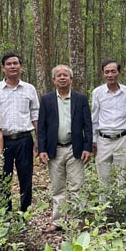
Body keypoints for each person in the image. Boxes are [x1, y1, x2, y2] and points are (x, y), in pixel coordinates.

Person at [37, 65, 92, 231]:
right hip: (54, 150)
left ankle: (78, 220)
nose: (62, 78)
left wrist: (87, 147)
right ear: (53, 80)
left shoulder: (80, 99)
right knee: (57, 187)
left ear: (71, 79)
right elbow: (42, 126)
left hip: (75, 148)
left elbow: (87, 124)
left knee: (77, 186)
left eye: (65, 75)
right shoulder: (46, 100)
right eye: (58, 75)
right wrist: (42, 149)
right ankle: (57, 221)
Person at [0, 52, 40, 211]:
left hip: (25, 139)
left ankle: (25, 213)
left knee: (26, 177)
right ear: (3, 68)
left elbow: (35, 114)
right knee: (3, 178)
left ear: (21, 67)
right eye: (9, 64)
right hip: (3, 140)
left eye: (15, 63)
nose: (12, 66)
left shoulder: (29, 89)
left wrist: (38, 140)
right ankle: (7, 214)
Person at [91, 59, 126, 185]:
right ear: (103, 74)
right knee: (104, 177)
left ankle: (121, 204)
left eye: (113, 71)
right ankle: (105, 204)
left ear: (119, 73)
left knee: (123, 175)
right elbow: (94, 118)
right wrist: (93, 140)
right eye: (106, 72)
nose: (110, 75)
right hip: (103, 140)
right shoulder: (97, 92)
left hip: (122, 139)